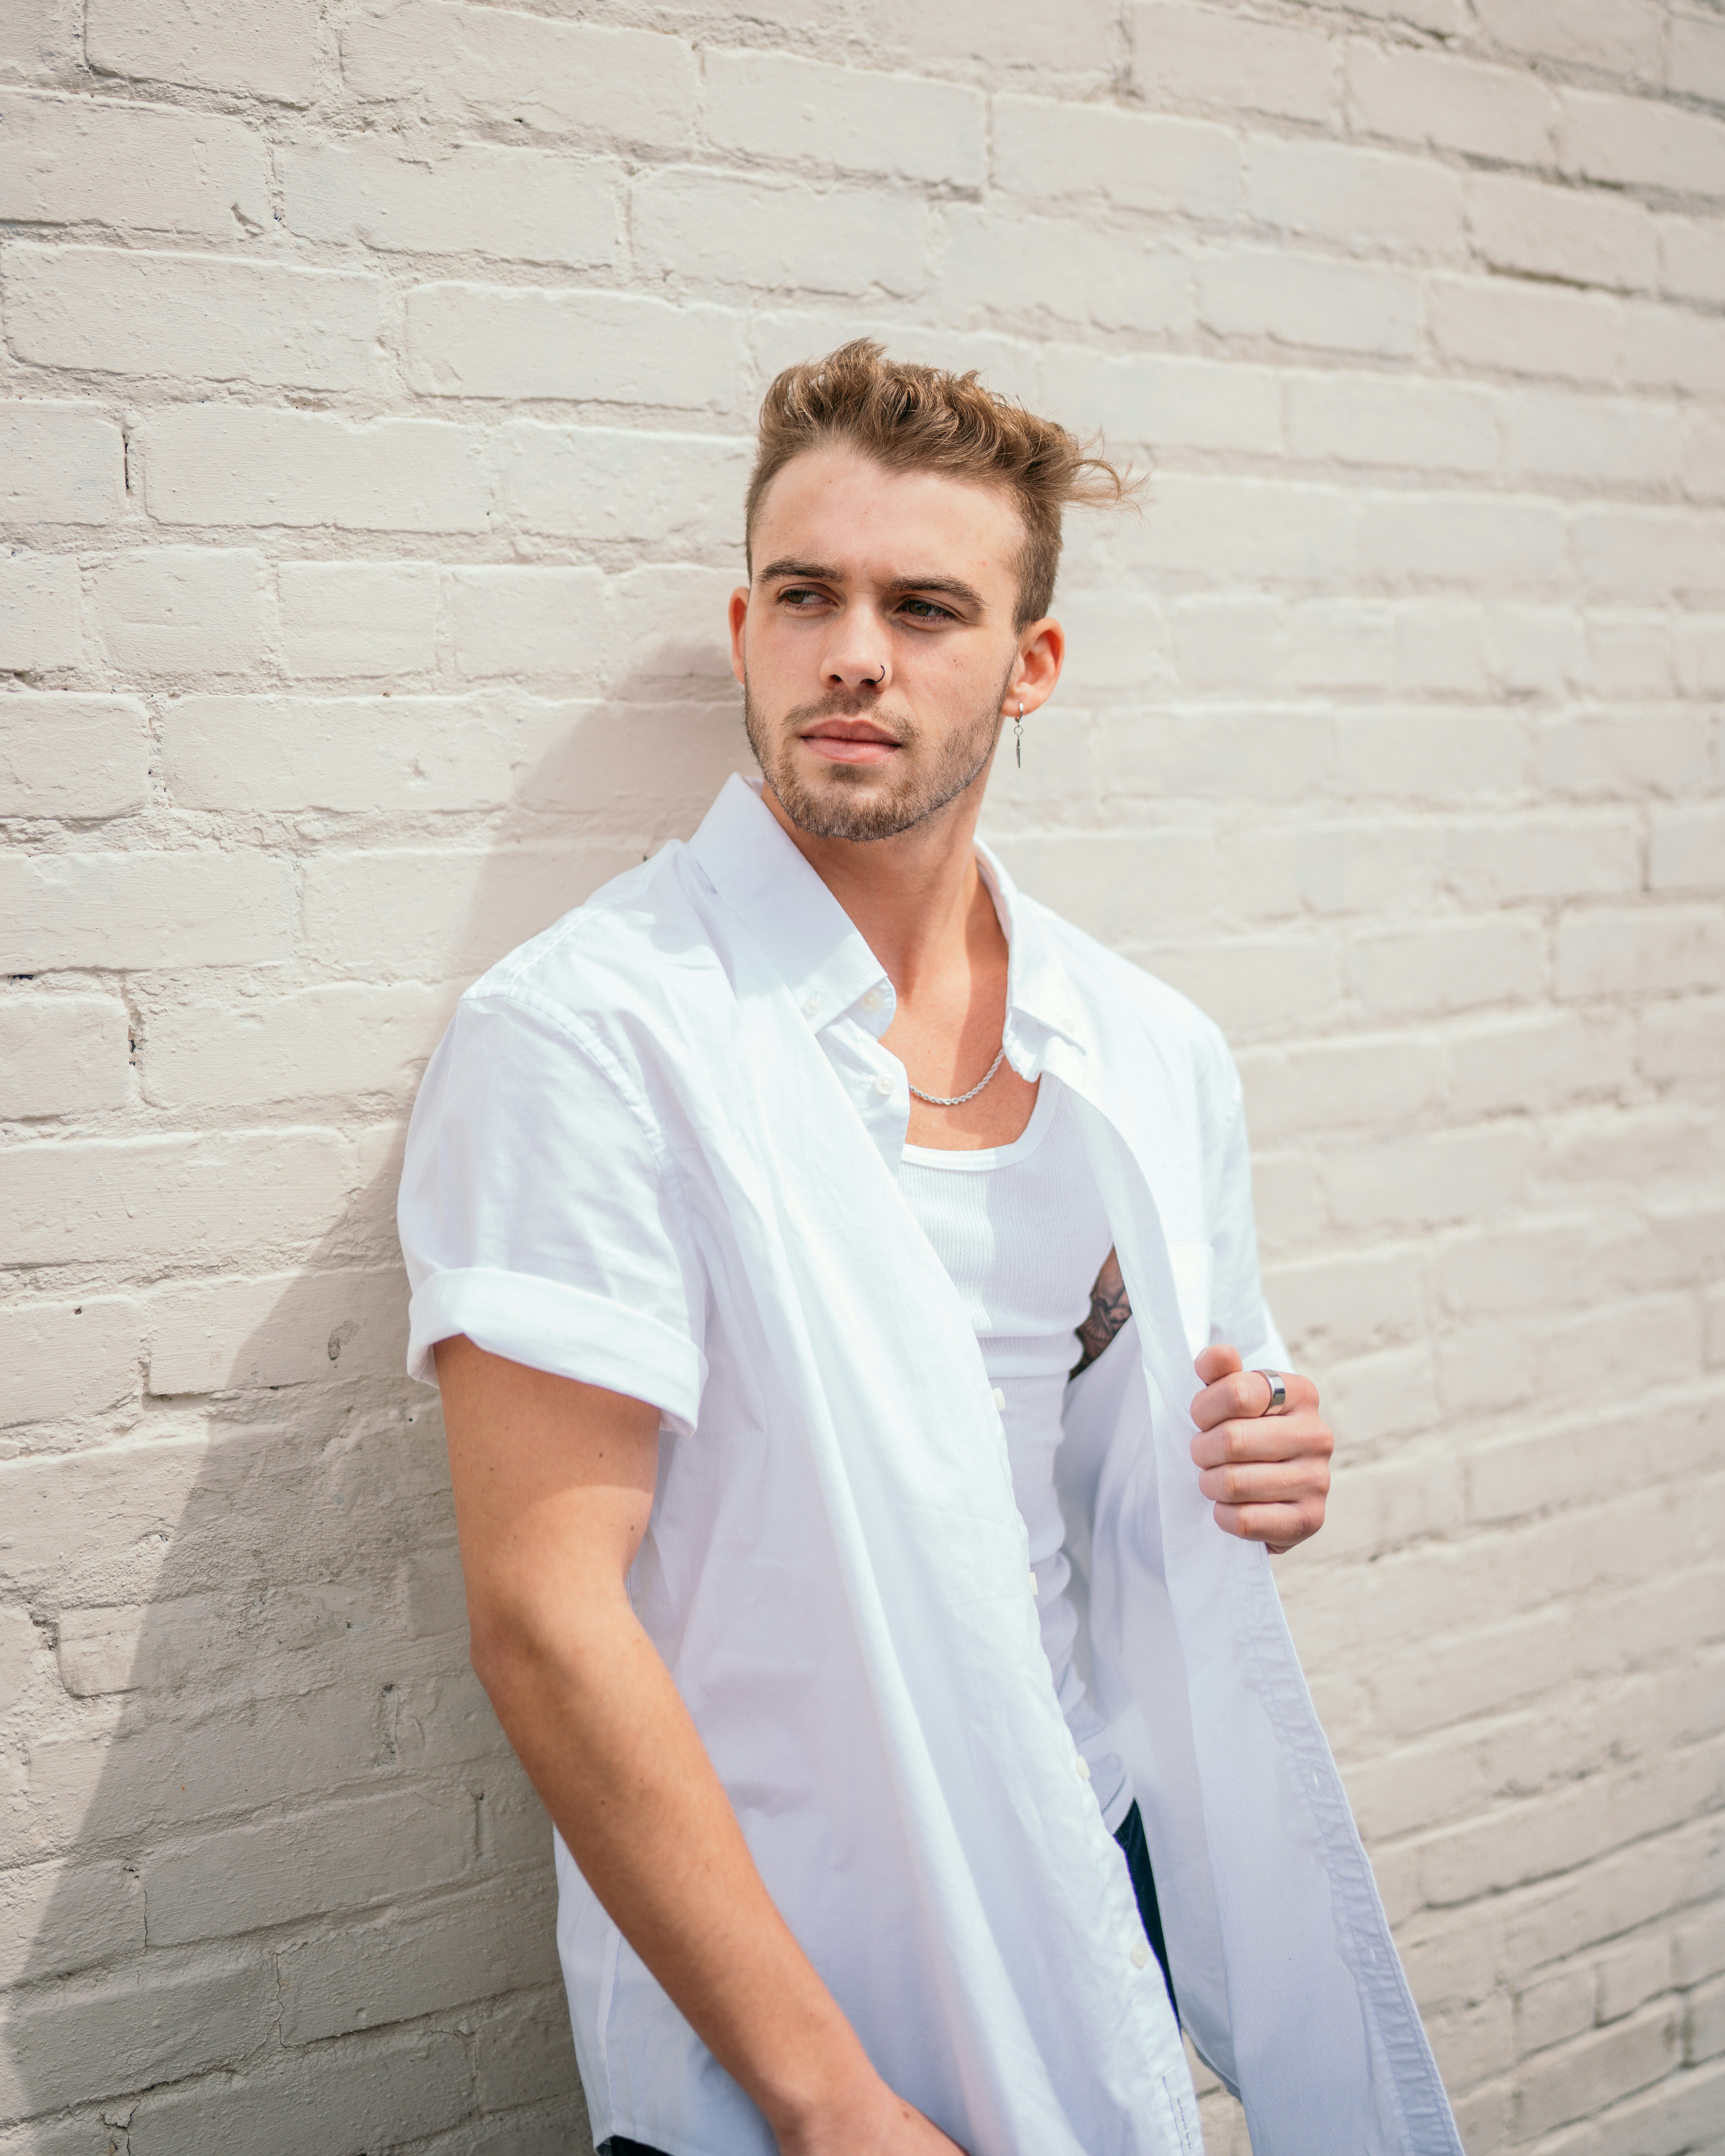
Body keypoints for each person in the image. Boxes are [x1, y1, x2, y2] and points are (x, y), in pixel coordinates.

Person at [397, 343, 1462, 2156]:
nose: (854, 654)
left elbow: (1171, 1431)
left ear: (1029, 664)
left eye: (925, 607)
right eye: (807, 596)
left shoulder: (1143, 1051)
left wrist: (1262, 1459)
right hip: (790, 1975)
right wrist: (827, 2106)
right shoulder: (590, 1037)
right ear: (746, 628)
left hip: (1085, 1871)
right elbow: (546, 1619)